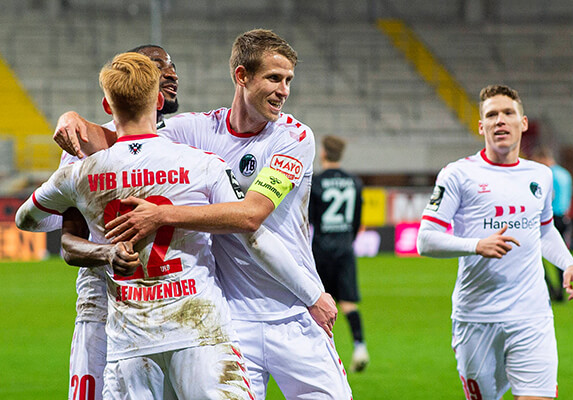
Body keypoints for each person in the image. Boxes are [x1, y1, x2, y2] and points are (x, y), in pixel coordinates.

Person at [55, 29, 352, 399]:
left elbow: (250, 216)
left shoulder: (293, 137)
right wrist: (74, 120)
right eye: (274, 78)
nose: (284, 90)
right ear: (241, 76)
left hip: (294, 308)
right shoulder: (196, 130)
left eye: (288, 80)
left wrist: (163, 217)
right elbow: (128, 136)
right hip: (231, 319)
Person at [29, 44, 180, 400]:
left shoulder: (185, 138)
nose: (172, 74)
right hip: (104, 303)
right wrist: (107, 253)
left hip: (172, 306)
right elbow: (68, 243)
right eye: (160, 66)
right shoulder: (84, 148)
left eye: (174, 66)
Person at [416, 84, 573, 400]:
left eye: (508, 113)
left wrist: (569, 262)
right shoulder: (457, 175)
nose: (500, 120)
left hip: (532, 315)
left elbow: (544, 230)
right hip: (477, 317)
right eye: (491, 115)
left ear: (524, 123)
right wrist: (476, 245)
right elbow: (425, 240)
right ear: (481, 126)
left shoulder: (540, 175)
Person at [309, 135, 369, 373]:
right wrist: (347, 241)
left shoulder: (317, 182)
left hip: (321, 249)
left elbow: (309, 220)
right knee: (348, 302)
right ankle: (360, 346)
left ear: (323, 153)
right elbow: (356, 221)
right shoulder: (354, 182)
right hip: (345, 248)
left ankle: (320, 354)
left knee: (315, 303)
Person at [531, 146, 573, 302]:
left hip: (549, 219)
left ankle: (550, 289)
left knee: (535, 254)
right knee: (560, 255)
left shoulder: (547, 175)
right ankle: (562, 291)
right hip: (564, 217)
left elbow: (549, 197)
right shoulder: (565, 174)